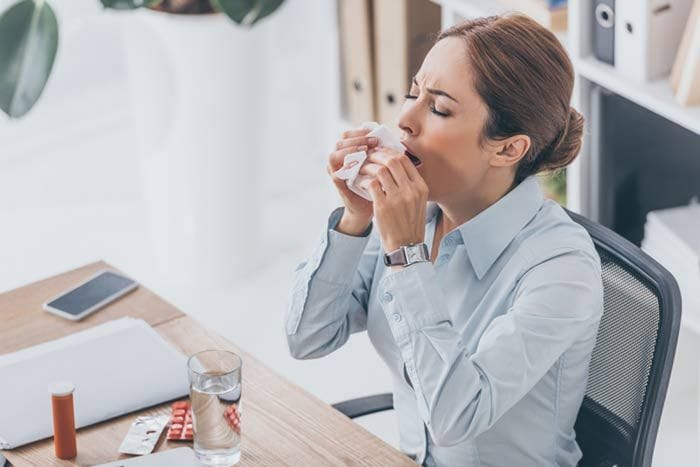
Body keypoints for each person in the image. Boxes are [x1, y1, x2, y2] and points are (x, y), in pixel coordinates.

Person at [285, 13, 603, 467]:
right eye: (414, 92)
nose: (404, 119)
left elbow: (457, 418)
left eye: (438, 108)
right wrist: (355, 219)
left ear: (508, 148)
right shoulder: (418, 213)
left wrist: (406, 256)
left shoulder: (561, 270)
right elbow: (307, 337)